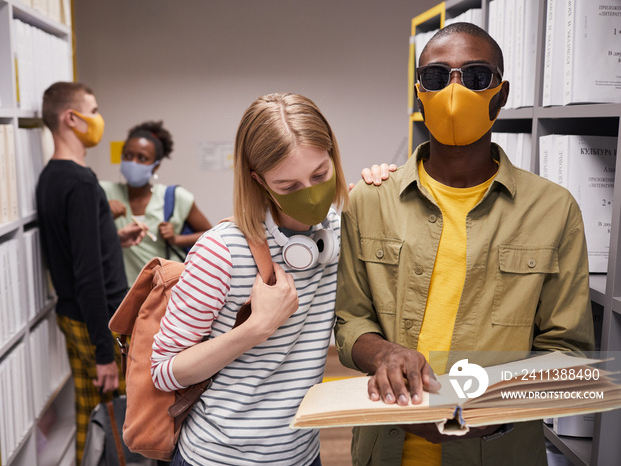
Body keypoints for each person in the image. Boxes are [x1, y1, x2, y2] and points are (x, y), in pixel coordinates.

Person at [334, 23, 594, 466]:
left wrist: (493, 410)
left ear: (502, 93)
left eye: (475, 76)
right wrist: (386, 353)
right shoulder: (370, 201)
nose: (454, 92)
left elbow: (568, 351)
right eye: (437, 77)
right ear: (420, 93)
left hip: (498, 452)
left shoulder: (554, 210)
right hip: (385, 448)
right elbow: (350, 321)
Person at [149, 92, 351, 466]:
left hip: (303, 455)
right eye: (288, 186)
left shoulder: (343, 234)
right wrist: (256, 328)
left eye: (320, 174)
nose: (310, 194)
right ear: (258, 181)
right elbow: (163, 372)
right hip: (216, 458)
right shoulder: (220, 252)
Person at [36, 81, 145, 464]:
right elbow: (87, 274)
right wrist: (104, 352)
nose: (99, 119)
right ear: (71, 118)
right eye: (94, 111)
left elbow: (72, 250)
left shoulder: (52, 176)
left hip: (74, 316)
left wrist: (114, 241)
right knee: (119, 423)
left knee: (93, 415)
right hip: (98, 322)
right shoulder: (81, 182)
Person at [101, 120, 213, 285]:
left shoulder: (175, 197)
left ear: (156, 166)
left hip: (163, 292)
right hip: (120, 293)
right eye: (128, 155)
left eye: (142, 158)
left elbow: (209, 235)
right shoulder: (103, 192)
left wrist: (176, 238)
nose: (133, 162)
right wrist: (102, 212)